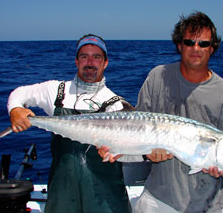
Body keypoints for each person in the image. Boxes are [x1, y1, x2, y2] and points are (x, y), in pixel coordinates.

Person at [7, 34, 132, 213]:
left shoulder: (118, 105)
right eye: (84, 56)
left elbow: (128, 151)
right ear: (76, 61)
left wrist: (119, 151)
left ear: (105, 63)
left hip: (105, 197)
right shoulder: (57, 92)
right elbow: (20, 93)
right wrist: (15, 110)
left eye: (96, 57)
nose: (90, 62)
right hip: (62, 195)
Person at [133, 11, 223, 213]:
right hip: (158, 198)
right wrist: (148, 153)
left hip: (207, 203)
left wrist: (222, 167)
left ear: (213, 47)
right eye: (190, 42)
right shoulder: (158, 76)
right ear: (179, 45)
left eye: (204, 43)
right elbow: (137, 129)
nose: (196, 48)